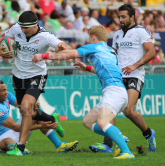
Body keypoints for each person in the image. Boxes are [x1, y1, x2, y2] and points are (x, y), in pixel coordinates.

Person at [32, 25, 135, 159]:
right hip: (118, 92)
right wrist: (86, 67)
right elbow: (104, 70)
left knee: (103, 123)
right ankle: (118, 136)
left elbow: (68, 54)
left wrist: (43, 55)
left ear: (93, 37)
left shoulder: (94, 47)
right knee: (87, 121)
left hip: (114, 92)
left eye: (89, 38)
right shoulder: (110, 51)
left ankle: (127, 152)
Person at [0, 11, 72, 156]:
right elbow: (3, 37)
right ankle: (51, 118)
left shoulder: (45, 36)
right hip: (18, 76)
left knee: (25, 106)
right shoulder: (17, 27)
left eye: (26, 28)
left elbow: (63, 45)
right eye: (21, 27)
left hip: (37, 75)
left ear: (35, 25)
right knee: (26, 111)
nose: (23, 30)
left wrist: (64, 48)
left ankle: (20, 147)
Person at [89, 4, 156, 154]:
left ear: (132, 17)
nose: (120, 19)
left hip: (135, 75)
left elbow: (151, 52)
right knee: (110, 110)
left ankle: (148, 133)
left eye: (124, 16)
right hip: (119, 76)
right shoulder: (118, 34)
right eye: (119, 16)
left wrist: (134, 65)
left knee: (127, 110)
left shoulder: (141, 32)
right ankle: (108, 144)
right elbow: (115, 55)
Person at [0, 79, 78, 155]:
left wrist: (31, 104)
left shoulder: (7, 96)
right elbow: (16, 127)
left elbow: (20, 105)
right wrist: (41, 126)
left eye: (5, 89)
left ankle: (59, 145)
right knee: (7, 141)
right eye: (3, 90)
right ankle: (18, 148)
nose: (6, 92)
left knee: (32, 113)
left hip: (12, 131)